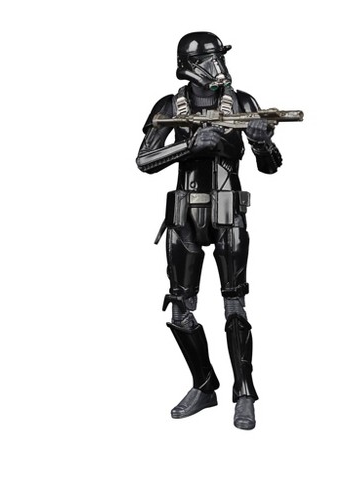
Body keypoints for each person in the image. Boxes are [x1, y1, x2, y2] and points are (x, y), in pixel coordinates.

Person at [136, 32, 283, 430]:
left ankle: (244, 393)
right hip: (184, 216)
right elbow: (144, 160)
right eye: (209, 59)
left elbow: (270, 166)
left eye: (219, 57)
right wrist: (190, 146)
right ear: (189, 65)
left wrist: (262, 142)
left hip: (228, 213)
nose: (217, 66)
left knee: (234, 305)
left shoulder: (242, 102)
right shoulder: (170, 106)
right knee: (180, 308)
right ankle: (204, 385)